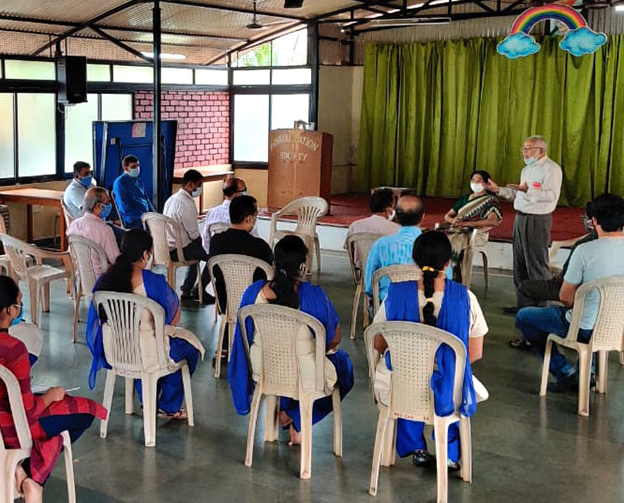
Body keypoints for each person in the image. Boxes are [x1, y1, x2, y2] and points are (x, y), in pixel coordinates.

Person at [0, 276, 106, 503]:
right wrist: (51, 396)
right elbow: (28, 412)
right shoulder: (14, 349)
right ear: (9, 310)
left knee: (57, 409)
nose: (19, 310)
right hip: (13, 429)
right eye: (18, 304)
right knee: (84, 412)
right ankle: (33, 477)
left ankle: (20, 471)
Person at [514, 193, 624, 392]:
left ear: (594, 221)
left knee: (525, 317)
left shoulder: (585, 251)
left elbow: (565, 298)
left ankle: (565, 372)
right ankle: (589, 371)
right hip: (621, 327)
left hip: (583, 328)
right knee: (590, 315)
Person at [371, 230, 482, 470]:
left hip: (402, 385)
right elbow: (474, 353)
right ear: (448, 262)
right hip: (447, 389)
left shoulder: (395, 294)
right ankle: (450, 454)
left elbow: (379, 344)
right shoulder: (466, 298)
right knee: (455, 378)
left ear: (414, 260)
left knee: (402, 376)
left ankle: (415, 447)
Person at [227, 235, 353, 445]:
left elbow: (243, 335)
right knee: (344, 368)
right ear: (302, 267)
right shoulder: (313, 295)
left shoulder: (253, 292)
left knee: (296, 363)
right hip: (305, 374)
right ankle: (295, 417)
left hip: (264, 369)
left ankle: (288, 412)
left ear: (274, 263)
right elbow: (334, 339)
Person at [85, 230, 200, 421]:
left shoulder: (104, 280)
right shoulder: (153, 282)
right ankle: (168, 405)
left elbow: (95, 320)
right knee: (189, 350)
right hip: (147, 353)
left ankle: (147, 397)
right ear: (145, 254)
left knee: (148, 346)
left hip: (116, 350)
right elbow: (173, 316)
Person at [487, 136, 562, 313]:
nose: (524, 152)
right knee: (519, 263)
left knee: (536, 264)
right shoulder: (527, 170)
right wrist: (498, 190)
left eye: (528, 149)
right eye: (523, 148)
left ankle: (541, 308)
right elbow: (517, 195)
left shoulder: (551, 169)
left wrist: (529, 190)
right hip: (520, 217)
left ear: (541, 150)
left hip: (537, 219)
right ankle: (524, 304)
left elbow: (551, 196)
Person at [508, 203, 599, 348]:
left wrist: (571, 305)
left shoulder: (583, 247)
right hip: (618, 325)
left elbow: (565, 294)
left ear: (592, 222)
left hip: (580, 310)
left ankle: (531, 339)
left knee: (525, 288)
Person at [364, 195, 443, 305]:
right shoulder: (436, 246)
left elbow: (369, 287)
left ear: (396, 216)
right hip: (426, 311)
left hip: (388, 311)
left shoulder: (380, 245)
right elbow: (446, 281)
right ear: (423, 217)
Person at [206, 194, 274, 308]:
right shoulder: (260, 246)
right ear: (249, 219)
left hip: (224, 301)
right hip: (254, 302)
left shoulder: (215, 241)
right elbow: (269, 275)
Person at [162, 169, 207, 299]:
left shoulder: (171, 199)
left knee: (196, 251)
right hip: (180, 250)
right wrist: (203, 243)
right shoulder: (187, 203)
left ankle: (187, 290)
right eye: (199, 185)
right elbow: (193, 234)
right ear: (190, 185)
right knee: (212, 256)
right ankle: (199, 289)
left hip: (166, 248)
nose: (200, 188)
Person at [66, 187, 118, 283]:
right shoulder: (105, 230)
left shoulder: (74, 225)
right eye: (107, 202)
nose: (110, 205)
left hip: (80, 276)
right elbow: (115, 259)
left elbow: (71, 254)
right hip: (102, 278)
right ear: (98, 206)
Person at [200, 176, 246, 253]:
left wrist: (211, 255)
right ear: (236, 194)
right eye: (244, 190)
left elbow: (206, 239)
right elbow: (253, 238)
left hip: (216, 258)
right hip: (240, 259)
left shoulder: (212, 213)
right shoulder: (246, 214)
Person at [110, 154, 154, 230]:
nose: (137, 168)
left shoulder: (138, 181)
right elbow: (125, 208)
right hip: (133, 220)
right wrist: (143, 219)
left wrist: (154, 214)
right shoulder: (120, 183)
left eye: (138, 166)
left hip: (145, 217)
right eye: (133, 167)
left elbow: (147, 200)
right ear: (126, 168)